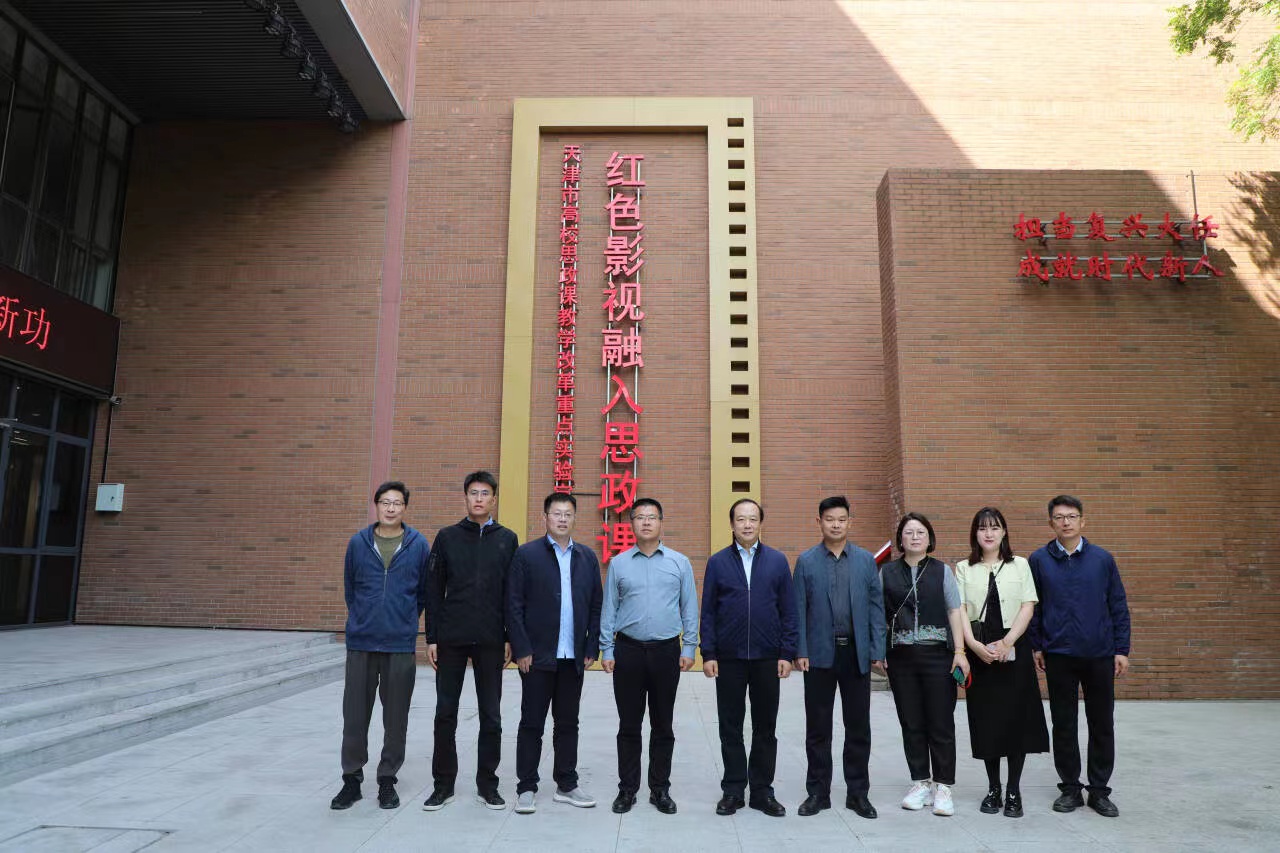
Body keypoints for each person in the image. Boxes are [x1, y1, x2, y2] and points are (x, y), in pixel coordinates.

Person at [422, 471, 519, 811]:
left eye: (485, 493)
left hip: (491, 639)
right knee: (445, 713)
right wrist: (432, 637)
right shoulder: (447, 537)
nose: (479, 499)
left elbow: (512, 594)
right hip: (451, 637)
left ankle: (487, 785)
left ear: (494, 499)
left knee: (491, 715)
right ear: (465, 497)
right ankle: (443, 785)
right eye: (473, 493)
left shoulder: (507, 539)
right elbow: (434, 589)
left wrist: (509, 637)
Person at [330, 481, 430, 811]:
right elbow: (350, 588)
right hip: (362, 641)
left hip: (399, 644)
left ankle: (387, 779)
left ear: (405, 507)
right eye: (385, 502)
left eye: (397, 503)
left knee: (396, 717)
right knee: (355, 716)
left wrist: (403, 620)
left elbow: (423, 593)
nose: (390, 508)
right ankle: (351, 780)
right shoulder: (358, 543)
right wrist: (363, 618)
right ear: (376, 505)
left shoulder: (418, 545)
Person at [1029, 495, 1131, 818]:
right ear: (1051, 523)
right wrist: (1037, 645)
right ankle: (1070, 788)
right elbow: (1033, 607)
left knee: (1102, 723)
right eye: (1059, 517)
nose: (1066, 522)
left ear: (1082, 521)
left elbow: (1117, 604)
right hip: (1058, 654)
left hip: (1099, 654)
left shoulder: (1102, 559)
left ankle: (1099, 790)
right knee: (1064, 724)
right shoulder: (1039, 560)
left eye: (1072, 516)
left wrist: (1121, 649)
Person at [600, 498, 698, 815]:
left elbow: (689, 607)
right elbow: (609, 608)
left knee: (662, 724)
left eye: (651, 517)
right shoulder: (619, 564)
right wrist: (607, 648)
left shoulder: (679, 563)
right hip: (628, 651)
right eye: (639, 517)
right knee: (628, 724)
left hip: (666, 652)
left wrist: (689, 647)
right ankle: (627, 790)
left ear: (660, 522)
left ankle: (660, 789)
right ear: (631, 523)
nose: (645, 522)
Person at [700, 498, 797, 818]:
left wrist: (787, 652)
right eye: (741, 519)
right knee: (730, 726)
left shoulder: (777, 561)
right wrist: (709, 652)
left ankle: (761, 791)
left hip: (768, 657)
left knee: (765, 726)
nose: (747, 524)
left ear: (760, 523)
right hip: (729, 658)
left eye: (752, 519)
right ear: (731, 524)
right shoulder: (717, 562)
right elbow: (708, 611)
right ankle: (733, 790)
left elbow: (788, 611)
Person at [506, 492, 603, 815]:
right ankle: (526, 787)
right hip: (537, 656)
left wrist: (591, 646)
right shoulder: (526, 554)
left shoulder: (586, 557)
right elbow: (513, 605)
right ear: (545, 517)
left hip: (572, 657)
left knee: (568, 723)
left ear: (575, 518)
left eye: (568, 514)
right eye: (557, 513)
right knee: (532, 723)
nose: (562, 519)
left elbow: (596, 605)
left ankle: (566, 783)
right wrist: (522, 648)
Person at [792, 496, 886, 820]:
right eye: (829, 519)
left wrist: (877, 650)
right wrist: (800, 650)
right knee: (818, 728)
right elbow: (798, 609)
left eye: (841, 519)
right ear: (818, 522)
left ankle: (858, 794)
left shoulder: (865, 561)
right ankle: (818, 793)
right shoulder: (806, 561)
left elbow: (876, 608)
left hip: (855, 653)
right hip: (819, 654)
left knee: (858, 726)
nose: (835, 524)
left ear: (850, 522)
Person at [955, 507, 1049, 819]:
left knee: (1015, 721)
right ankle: (993, 788)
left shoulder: (1020, 564)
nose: (989, 533)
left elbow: (1028, 606)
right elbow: (959, 610)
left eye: (994, 527)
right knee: (988, 721)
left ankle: (1013, 790)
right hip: (980, 650)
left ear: (1004, 532)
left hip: (1014, 648)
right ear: (975, 533)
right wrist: (973, 645)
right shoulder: (964, 568)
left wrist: (1008, 642)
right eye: (983, 528)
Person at [881, 511, 969, 817]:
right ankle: (920, 782)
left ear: (929, 538)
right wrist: (879, 651)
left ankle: (943, 786)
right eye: (909, 532)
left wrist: (960, 651)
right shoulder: (887, 573)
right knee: (911, 721)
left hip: (938, 656)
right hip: (901, 658)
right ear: (900, 539)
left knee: (941, 722)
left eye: (920, 532)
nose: (915, 537)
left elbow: (955, 611)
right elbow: (879, 615)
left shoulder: (942, 571)